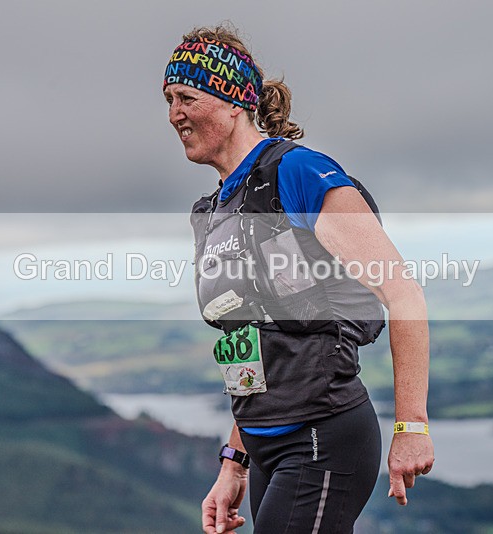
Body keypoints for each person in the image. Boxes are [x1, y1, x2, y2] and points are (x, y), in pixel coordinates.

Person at [163, 24, 434, 534]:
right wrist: (233, 463)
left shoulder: (299, 173)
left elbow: (402, 292)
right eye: (168, 99)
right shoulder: (214, 211)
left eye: (187, 97)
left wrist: (412, 426)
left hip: (323, 437)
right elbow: (250, 344)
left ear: (233, 102)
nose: (174, 113)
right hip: (266, 449)